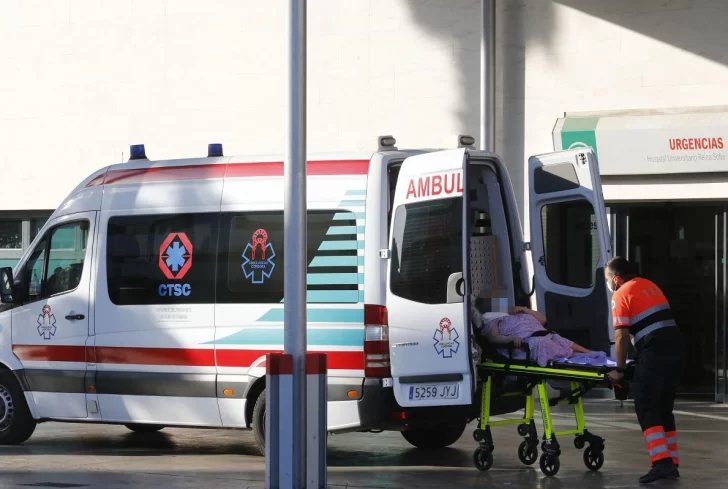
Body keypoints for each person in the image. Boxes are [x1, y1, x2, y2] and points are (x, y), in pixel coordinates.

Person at [605, 257, 683, 484]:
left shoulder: (620, 294)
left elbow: (621, 336)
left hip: (654, 351)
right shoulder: (650, 285)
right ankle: (671, 462)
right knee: (664, 408)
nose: (608, 283)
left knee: (647, 405)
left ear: (616, 279)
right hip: (676, 349)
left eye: (607, 279)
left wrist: (619, 369)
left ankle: (661, 463)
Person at [472, 303, 594, 367]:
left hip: (541, 334)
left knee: (556, 337)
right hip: (525, 345)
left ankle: (589, 352)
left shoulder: (514, 315)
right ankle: (576, 356)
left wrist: (525, 310)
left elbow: (543, 320)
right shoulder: (493, 321)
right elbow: (493, 338)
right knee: (542, 343)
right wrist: (512, 339)